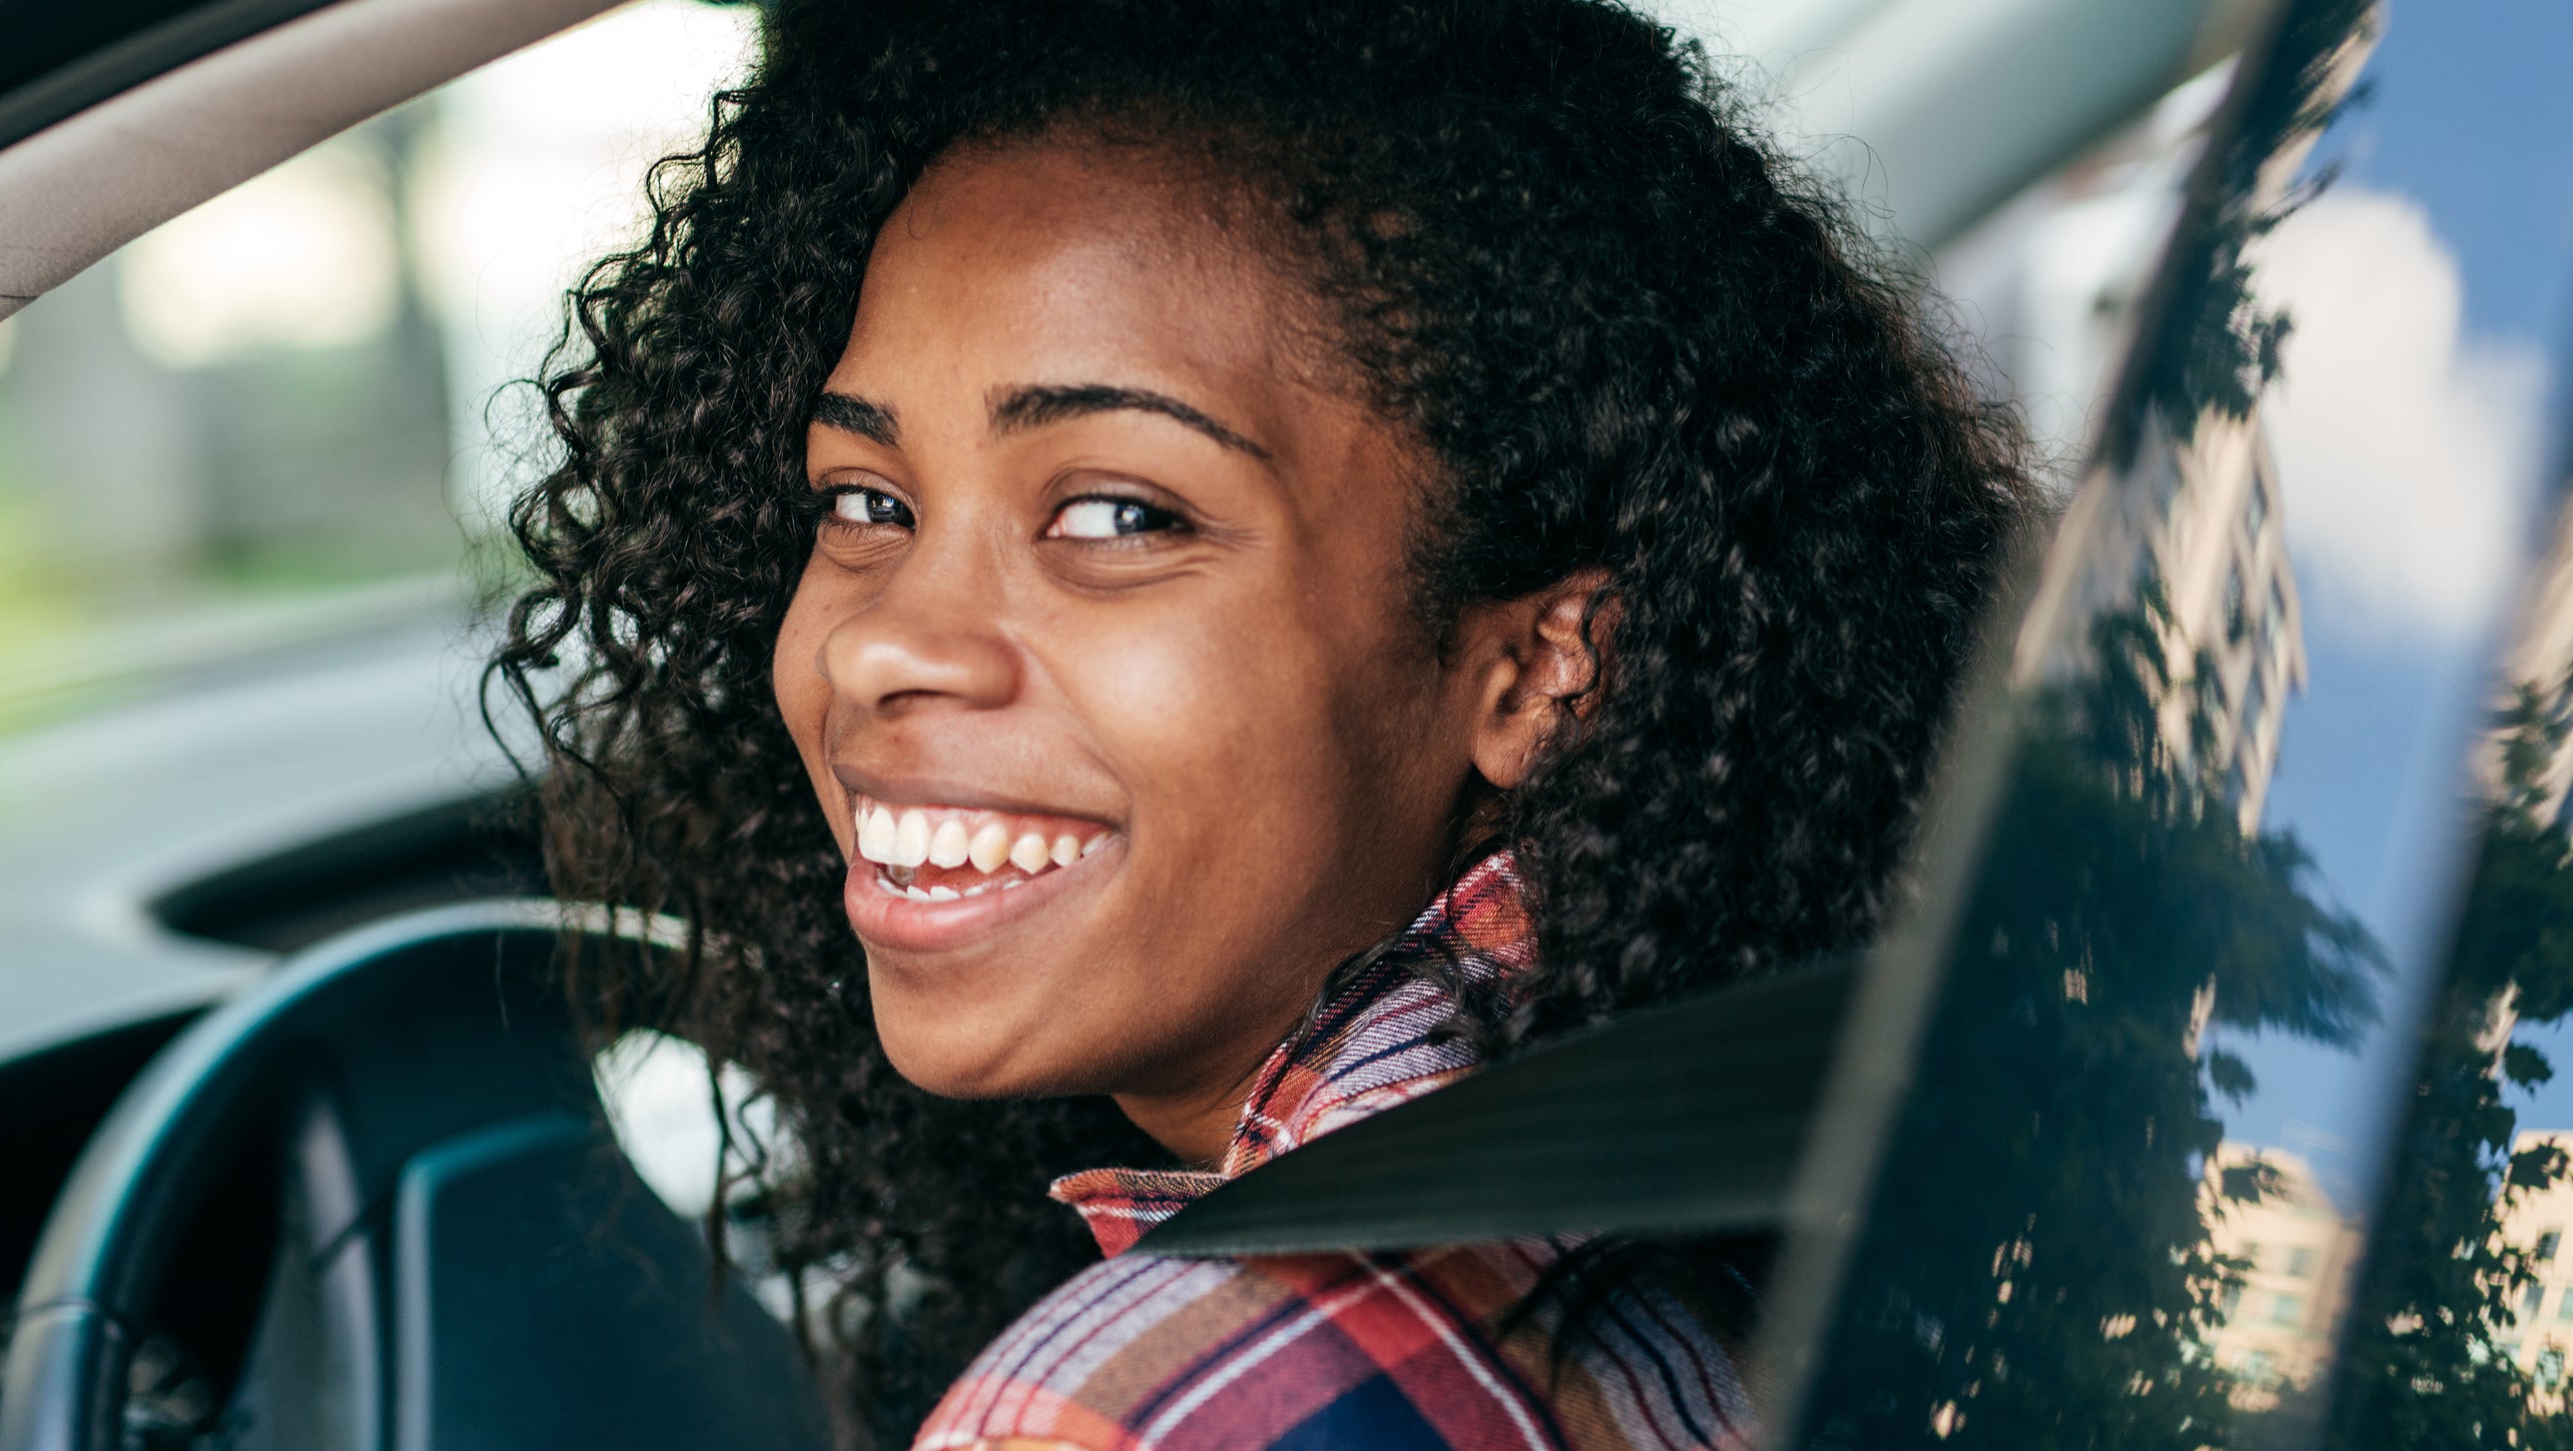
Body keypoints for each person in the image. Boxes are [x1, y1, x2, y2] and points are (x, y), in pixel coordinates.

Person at [491, 0, 2031, 1444]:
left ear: (1539, 665)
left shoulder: (1117, 1414)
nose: (887, 643)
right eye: (865, 501)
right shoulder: (1805, 1156)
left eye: (1114, 510)